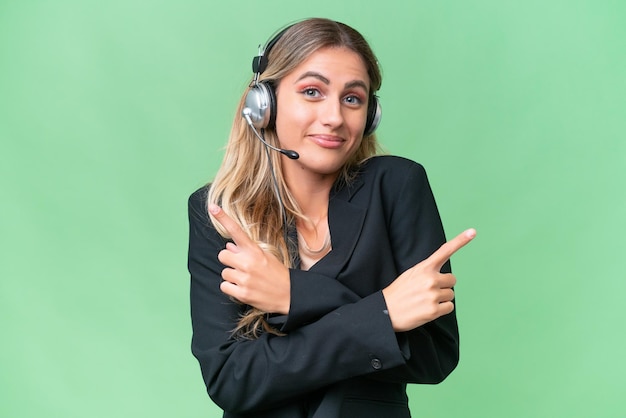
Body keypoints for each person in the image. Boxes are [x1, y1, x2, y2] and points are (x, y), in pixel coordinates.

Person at [187, 17, 475, 418]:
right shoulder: (218, 211)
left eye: (352, 99)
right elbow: (232, 380)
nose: (335, 117)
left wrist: (293, 295)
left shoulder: (397, 186)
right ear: (263, 105)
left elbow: (434, 356)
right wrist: (384, 313)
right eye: (311, 92)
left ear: (369, 113)